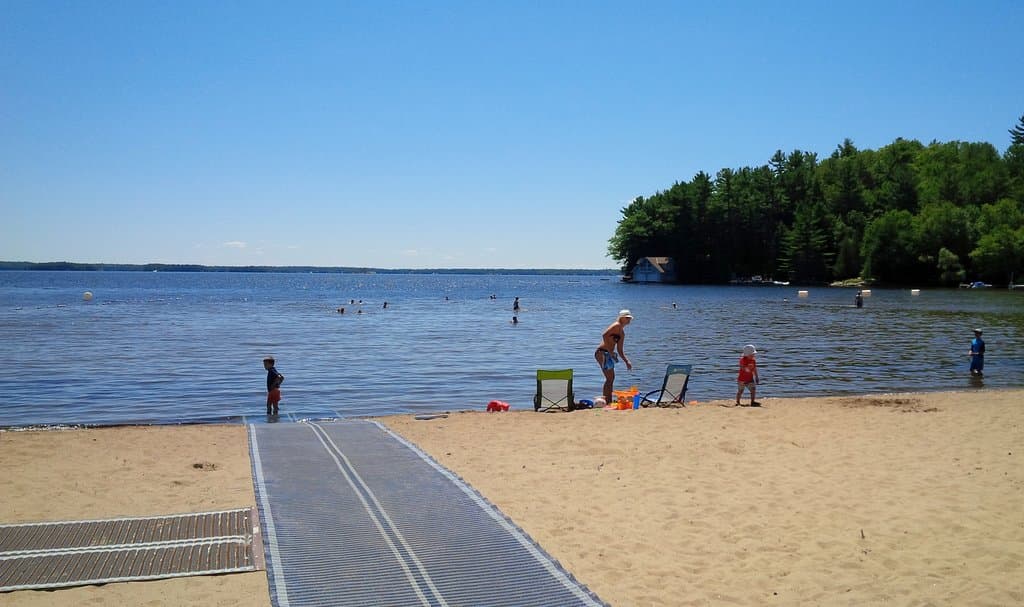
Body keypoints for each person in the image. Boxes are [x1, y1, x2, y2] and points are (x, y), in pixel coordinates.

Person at [594, 310, 633, 405]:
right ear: (622, 317)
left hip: (608, 354)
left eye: (629, 318)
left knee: (611, 378)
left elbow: (620, 350)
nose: (629, 320)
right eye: (627, 318)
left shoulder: (622, 333)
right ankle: (607, 401)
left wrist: (627, 361)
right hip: (601, 352)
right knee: (609, 378)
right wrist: (610, 351)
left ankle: (608, 401)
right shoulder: (616, 325)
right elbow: (604, 335)